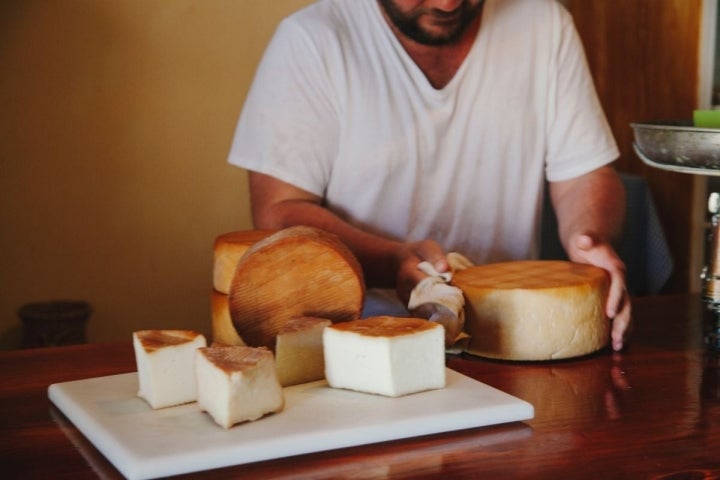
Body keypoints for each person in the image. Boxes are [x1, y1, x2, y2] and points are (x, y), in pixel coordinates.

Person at [227, 0, 632, 351]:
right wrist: (392, 261)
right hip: (357, 337)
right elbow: (279, 210)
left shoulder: (545, 25)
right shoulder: (313, 40)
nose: (448, 4)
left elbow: (584, 174)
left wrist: (588, 236)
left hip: (511, 333)